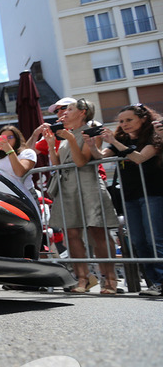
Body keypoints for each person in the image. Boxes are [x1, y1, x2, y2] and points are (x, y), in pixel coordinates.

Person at [85, 104, 163, 297]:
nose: (124, 125)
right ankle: (155, 282)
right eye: (121, 121)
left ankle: (161, 280)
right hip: (129, 196)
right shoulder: (121, 139)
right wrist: (92, 145)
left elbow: (139, 158)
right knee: (138, 240)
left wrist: (116, 143)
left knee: (156, 239)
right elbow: (101, 157)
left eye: (129, 120)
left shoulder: (154, 137)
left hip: (153, 193)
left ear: (143, 119)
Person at [43, 98, 119, 294]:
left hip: (88, 184)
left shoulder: (92, 129)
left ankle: (109, 280)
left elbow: (81, 161)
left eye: (69, 109)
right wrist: (52, 144)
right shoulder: (64, 135)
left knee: (98, 232)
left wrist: (69, 139)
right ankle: (82, 279)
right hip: (67, 186)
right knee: (72, 234)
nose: (63, 113)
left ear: (82, 112)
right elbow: (57, 163)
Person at [0, 125, 37, 194]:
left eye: (10, 137)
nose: (7, 140)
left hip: (25, 194)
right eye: (2, 138)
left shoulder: (27, 152)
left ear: (17, 139)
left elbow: (19, 172)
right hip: (5, 194)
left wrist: (10, 151)